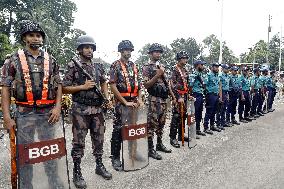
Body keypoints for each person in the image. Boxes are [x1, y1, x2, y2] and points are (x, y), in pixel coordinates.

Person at [1, 20, 63, 189]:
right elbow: (5, 88)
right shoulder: (12, 60)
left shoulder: (52, 60)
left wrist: (57, 107)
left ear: (42, 38)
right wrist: (7, 117)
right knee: (25, 153)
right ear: (24, 38)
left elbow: (58, 86)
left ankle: (54, 182)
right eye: (31, 35)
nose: (35, 38)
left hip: (48, 113)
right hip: (24, 113)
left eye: (38, 35)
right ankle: (27, 185)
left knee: (49, 149)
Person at [63, 35, 112, 187]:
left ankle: (99, 165)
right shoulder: (73, 65)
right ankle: (77, 172)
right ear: (79, 49)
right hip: (80, 110)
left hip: (97, 109)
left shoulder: (98, 66)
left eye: (91, 47)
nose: (89, 50)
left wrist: (106, 97)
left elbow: (103, 81)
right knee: (78, 142)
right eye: (86, 47)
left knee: (99, 139)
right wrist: (82, 87)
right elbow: (64, 87)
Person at [109, 40, 143, 171]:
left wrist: (139, 98)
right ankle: (115, 157)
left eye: (130, 50)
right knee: (118, 130)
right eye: (126, 49)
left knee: (133, 129)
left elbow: (139, 84)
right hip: (122, 103)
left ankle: (132, 153)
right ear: (121, 51)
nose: (129, 52)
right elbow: (112, 85)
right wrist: (124, 102)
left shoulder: (134, 66)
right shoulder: (115, 65)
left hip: (134, 102)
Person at [142, 43, 173, 160]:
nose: (158, 54)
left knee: (161, 123)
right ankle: (150, 149)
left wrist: (173, 96)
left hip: (163, 99)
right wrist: (158, 75)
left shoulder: (162, 66)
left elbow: (167, 83)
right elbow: (146, 84)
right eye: (156, 52)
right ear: (150, 53)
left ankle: (159, 144)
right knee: (151, 124)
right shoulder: (147, 67)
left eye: (160, 52)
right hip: (154, 99)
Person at [169, 51, 192, 148]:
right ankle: (172, 138)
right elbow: (172, 85)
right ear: (179, 59)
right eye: (183, 58)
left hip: (185, 96)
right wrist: (177, 97)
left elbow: (187, 84)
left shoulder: (185, 70)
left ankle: (181, 135)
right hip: (178, 97)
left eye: (186, 58)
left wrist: (189, 95)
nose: (185, 60)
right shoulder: (174, 69)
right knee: (176, 116)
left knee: (184, 115)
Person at [203, 63, 222, 134]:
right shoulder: (208, 75)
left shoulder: (217, 76)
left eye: (218, 67)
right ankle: (206, 127)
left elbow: (219, 86)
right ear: (212, 67)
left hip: (216, 95)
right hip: (210, 95)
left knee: (214, 111)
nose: (217, 68)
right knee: (209, 111)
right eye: (216, 67)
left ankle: (212, 125)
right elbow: (204, 85)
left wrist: (219, 96)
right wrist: (207, 93)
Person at [189, 60, 206, 136]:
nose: (203, 66)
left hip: (200, 94)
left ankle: (198, 129)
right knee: (193, 114)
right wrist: (190, 95)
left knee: (199, 113)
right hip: (195, 95)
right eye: (202, 65)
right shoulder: (193, 74)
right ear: (198, 65)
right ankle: (192, 131)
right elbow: (190, 86)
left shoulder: (200, 74)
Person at [216, 64, 230, 130]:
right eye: (226, 68)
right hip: (222, 92)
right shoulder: (220, 76)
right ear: (223, 69)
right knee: (220, 109)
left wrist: (227, 95)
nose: (227, 70)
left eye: (228, 68)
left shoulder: (227, 76)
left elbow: (227, 86)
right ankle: (218, 124)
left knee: (224, 108)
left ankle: (223, 122)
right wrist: (220, 97)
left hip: (226, 92)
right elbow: (220, 87)